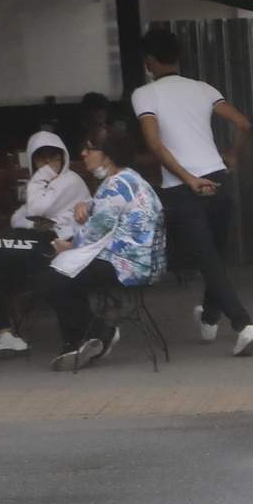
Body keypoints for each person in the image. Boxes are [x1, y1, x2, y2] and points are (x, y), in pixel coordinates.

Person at [131, 29, 253, 355]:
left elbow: (154, 143)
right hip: (218, 180)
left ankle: (243, 324)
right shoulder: (203, 89)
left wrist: (188, 179)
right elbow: (244, 124)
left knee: (208, 259)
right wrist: (232, 154)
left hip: (182, 188)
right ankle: (208, 318)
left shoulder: (145, 94)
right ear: (177, 57)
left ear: (149, 61)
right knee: (214, 258)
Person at [0, 129, 91, 356]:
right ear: (32, 160)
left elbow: (36, 209)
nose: (48, 164)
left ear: (64, 157)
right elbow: (17, 217)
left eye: (54, 157)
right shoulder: (41, 187)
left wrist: (39, 180)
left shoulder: (69, 180)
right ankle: (3, 333)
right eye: (41, 158)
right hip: (39, 244)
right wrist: (38, 222)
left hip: (60, 247)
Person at [45, 130, 163, 372]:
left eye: (90, 149)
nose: (83, 154)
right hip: (145, 262)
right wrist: (85, 204)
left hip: (127, 266)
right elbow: (105, 213)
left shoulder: (115, 186)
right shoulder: (129, 179)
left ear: (107, 155)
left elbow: (92, 234)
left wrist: (65, 245)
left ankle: (90, 336)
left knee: (56, 276)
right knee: (67, 272)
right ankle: (89, 336)